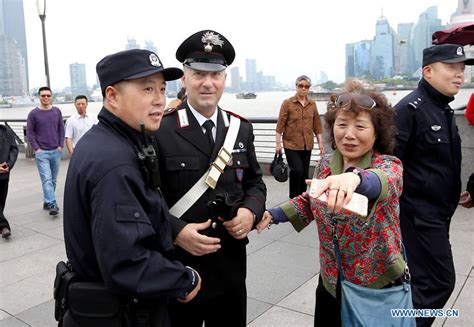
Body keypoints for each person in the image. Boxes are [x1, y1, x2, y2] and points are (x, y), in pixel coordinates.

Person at [63, 49, 201, 326]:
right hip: (125, 314)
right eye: (147, 89)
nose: (159, 100)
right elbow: (126, 263)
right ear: (112, 96)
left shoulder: (110, 141)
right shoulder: (115, 162)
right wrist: (185, 279)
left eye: (162, 89)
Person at [257, 81, 405, 327]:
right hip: (331, 282)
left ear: (377, 132)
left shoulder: (388, 165)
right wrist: (272, 215)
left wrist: (355, 177)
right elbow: (311, 200)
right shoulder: (326, 164)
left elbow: (385, 182)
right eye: (342, 124)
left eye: (360, 126)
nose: (349, 134)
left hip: (376, 285)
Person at [154, 30, 266, 327]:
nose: (207, 83)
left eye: (215, 75)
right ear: (184, 79)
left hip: (230, 265)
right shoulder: (160, 131)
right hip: (180, 266)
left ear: (225, 80)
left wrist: (250, 211)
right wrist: (176, 230)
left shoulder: (240, 129)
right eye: (198, 73)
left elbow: (255, 182)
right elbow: (146, 197)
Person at [394, 43, 474, 326]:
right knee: (440, 282)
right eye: (451, 68)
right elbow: (390, 165)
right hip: (419, 215)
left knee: (423, 280)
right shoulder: (409, 110)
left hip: (440, 212)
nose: (459, 75)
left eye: (462, 69)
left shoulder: (442, 108)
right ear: (428, 71)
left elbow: (438, 162)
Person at [275, 75, 324, 198]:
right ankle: (293, 197)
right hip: (291, 144)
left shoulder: (312, 104)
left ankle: (301, 197)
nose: (303, 89)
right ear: (296, 87)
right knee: (297, 170)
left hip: (307, 145)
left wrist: (321, 145)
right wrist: (278, 143)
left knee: (304, 174)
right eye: (301, 86)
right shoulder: (287, 103)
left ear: (309, 88)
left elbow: (317, 125)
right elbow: (280, 125)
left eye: (306, 86)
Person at [26, 87, 65, 216]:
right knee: (47, 179)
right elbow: (30, 133)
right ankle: (53, 203)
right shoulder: (33, 114)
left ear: (51, 96)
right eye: (43, 96)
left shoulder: (57, 111)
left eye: (48, 95)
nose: (46, 98)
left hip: (56, 150)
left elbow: (61, 129)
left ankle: (47, 201)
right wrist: (37, 148)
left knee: (53, 180)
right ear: (39, 97)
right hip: (42, 152)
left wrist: (60, 145)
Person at [0, 124, 18, 239]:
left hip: (4, 173)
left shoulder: (6, 131)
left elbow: (14, 148)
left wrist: (9, 164)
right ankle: (3, 225)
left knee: (1, 199)